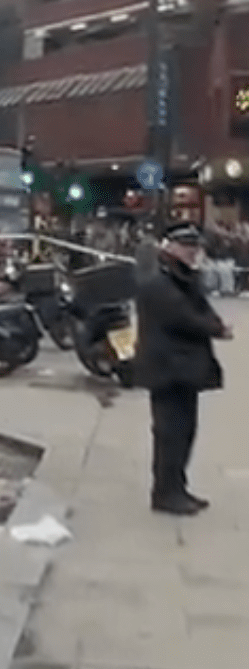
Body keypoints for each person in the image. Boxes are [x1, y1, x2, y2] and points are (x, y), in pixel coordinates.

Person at [135, 221, 232, 516]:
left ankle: (177, 487)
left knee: (185, 432)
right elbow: (181, 316)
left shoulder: (182, 276)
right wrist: (216, 329)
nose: (193, 252)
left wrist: (215, 322)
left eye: (195, 247)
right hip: (167, 368)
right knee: (170, 434)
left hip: (183, 368)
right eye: (187, 247)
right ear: (170, 247)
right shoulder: (158, 280)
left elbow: (200, 306)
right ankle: (165, 493)